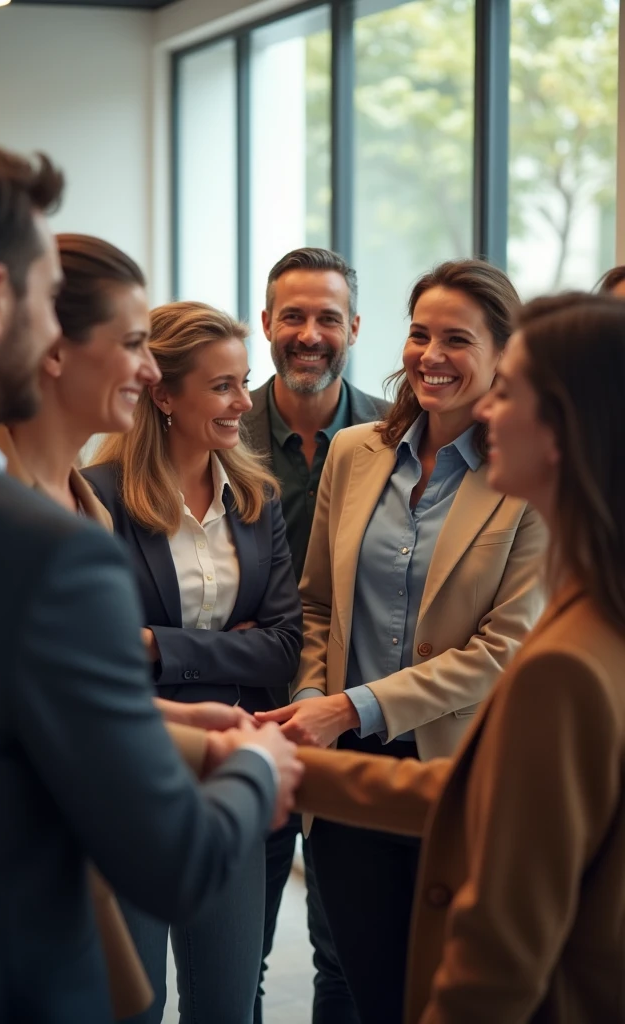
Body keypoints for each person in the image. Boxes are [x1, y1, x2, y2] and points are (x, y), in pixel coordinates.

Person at [0, 137, 302, 1024]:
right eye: (40, 297)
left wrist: (169, 713)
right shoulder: (42, 543)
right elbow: (172, 855)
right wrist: (254, 763)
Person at [294, 291, 625, 1024]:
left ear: (564, 429)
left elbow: (500, 957)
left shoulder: (565, 663)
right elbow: (494, 805)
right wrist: (289, 765)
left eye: (510, 390)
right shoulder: (599, 613)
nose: (491, 410)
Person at [259, 259, 547, 1023]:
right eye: (420, 334)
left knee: (447, 1000)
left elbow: (500, 650)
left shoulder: (528, 478)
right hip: (343, 776)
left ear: (503, 356)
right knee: (361, 985)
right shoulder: (356, 453)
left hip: (456, 780)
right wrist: (314, 702)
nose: (431, 355)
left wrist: (349, 708)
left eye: (458, 339)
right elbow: (316, 603)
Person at [0, 233, 266, 1019]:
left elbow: (57, 693)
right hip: (35, 874)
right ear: (52, 351)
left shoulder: (78, 497)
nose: (150, 372)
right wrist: (236, 758)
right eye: (136, 344)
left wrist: (176, 711)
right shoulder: (9, 504)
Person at [83, 300, 303, 1024]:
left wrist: (157, 645)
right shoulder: (99, 498)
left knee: (227, 1003)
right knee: (134, 1003)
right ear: (164, 393)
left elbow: (279, 648)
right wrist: (207, 651)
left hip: (228, 760)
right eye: (224, 387)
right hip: (132, 772)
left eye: (245, 382)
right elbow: (101, 653)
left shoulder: (256, 498)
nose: (247, 401)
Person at [243, 246, 390, 1024]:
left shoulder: (396, 441)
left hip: (352, 728)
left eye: (327, 318)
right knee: (238, 956)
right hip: (238, 719)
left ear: (354, 328)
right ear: (265, 322)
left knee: (345, 958)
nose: (309, 334)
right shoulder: (218, 431)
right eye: (292, 316)